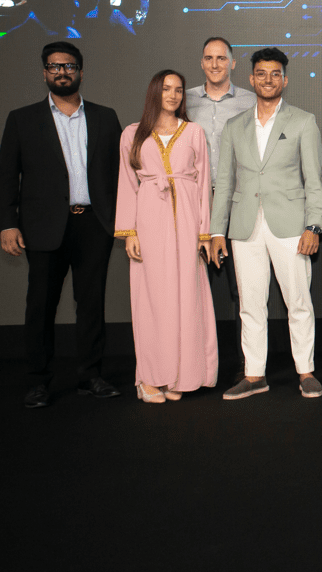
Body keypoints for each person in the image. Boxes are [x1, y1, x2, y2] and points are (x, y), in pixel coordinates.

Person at [0, 41, 122, 408]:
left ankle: (91, 376)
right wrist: (7, 223)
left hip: (93, 225)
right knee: (41, 305)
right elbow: (6, 176)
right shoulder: (22, 119)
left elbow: (118, 176)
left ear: (81, 71)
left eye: (69, 66)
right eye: (54, 66)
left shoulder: (105, 117)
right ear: (44, 72)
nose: (62, 72)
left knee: (92, 304)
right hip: (42, 227)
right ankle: (38, 381)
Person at [211, 48, 322, 400]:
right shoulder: (234, 126)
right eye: (261, 73)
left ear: (285, 80)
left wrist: (314, 225)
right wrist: (217, 231)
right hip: (245, 226)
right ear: (251, 78)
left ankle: (305, 371)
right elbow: (225, 182)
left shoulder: (303, 122)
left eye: (275, 74)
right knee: (249, 304)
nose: (268, 79)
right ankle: (254, 374)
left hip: (291, 225)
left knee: (299, 302)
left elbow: (313, 181)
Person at [115, 71, 219, 403]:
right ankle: (149, 378)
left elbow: (203, 185)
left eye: (178, 90)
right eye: (166, 89)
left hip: (187, 221)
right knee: (152, 300)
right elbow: (127, 184)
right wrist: (129, 231)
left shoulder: (194, 132)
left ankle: (182, 374)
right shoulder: (132, 133)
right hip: (148, 221)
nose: (173, 95)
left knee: (187, 297)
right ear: (154, 93)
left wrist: (204, 233)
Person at [186, 37, 257, 382]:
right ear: (201, 63)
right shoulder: (183, 101)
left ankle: (250, 364)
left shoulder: (250, 100)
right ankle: (194, 362)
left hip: (236, 200)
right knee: (191, 285)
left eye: (221, 58)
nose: (215, 64)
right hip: (192, 202)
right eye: (208, 58)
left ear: (232, 63)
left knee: (241, 286)